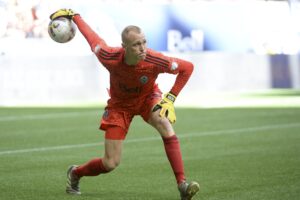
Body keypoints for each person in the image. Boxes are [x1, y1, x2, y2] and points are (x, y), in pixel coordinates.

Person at [50, 9, 200, 200]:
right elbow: (93, 39)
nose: (143, 48)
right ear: (125, 47)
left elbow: (188, 68)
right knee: (110, 163)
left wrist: (170, 98)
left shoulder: (154, 60)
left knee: (164, 124)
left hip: (147, 98)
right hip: (120, 107)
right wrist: (76, 17)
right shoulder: (109, 56)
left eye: (144, 42)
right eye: (137, 45)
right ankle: (76, 173)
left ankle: (182, 185)